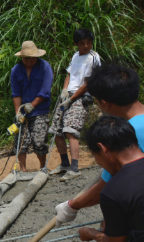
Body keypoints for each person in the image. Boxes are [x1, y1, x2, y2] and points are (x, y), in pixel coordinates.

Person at [55, 64, 144, 227]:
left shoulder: (128, 133)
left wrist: (71, 206)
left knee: (109, 226)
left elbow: (107, 187)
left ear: (104, 103)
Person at [78, 116, 144, 242]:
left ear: (103, 149)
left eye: (95, 155)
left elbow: (115, 241)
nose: (98, 162)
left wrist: (91, 234)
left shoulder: (112, 191)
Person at [48, 29, 101, 181]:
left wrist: (72, 99)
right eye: (82, 43)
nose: (86, 46)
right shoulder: (75, 56)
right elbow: (69, 75)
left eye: (88, 42)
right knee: (57, 130)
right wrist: (65, 90)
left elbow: (88, 83)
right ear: (76, 44)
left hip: (81, 97)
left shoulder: (94, 57)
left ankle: (74, 167)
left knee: (70, 130)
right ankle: (64, 163)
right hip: (68, 95)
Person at [11, 41, 53, 171]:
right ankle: (22, 169)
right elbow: (16, 93)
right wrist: (18, 113)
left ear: (36, 56)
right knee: (20, 143)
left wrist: (32, 105)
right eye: (26, 59)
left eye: (31, 59)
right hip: (23, 112)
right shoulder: (16, 70)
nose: (28, 61)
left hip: (40, 110)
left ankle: (42, 168)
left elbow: (45, 90)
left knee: (39, 142)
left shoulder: (45, 67)